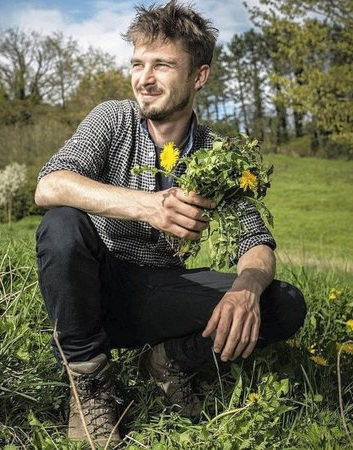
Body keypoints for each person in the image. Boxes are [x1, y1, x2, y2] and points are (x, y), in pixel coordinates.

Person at [35, 0, 306, 445]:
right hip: (93, 292)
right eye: (138, 63)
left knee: (283, 303)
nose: (145, 78)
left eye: (162, 64)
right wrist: (147, 205)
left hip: (161, 292)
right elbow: (50, 185)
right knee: (61, 223)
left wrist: (245, 291)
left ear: (199, 76)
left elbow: (254, 241)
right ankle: (90, 383)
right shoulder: (112, 119)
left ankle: (171, 357)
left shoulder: (217, 155)